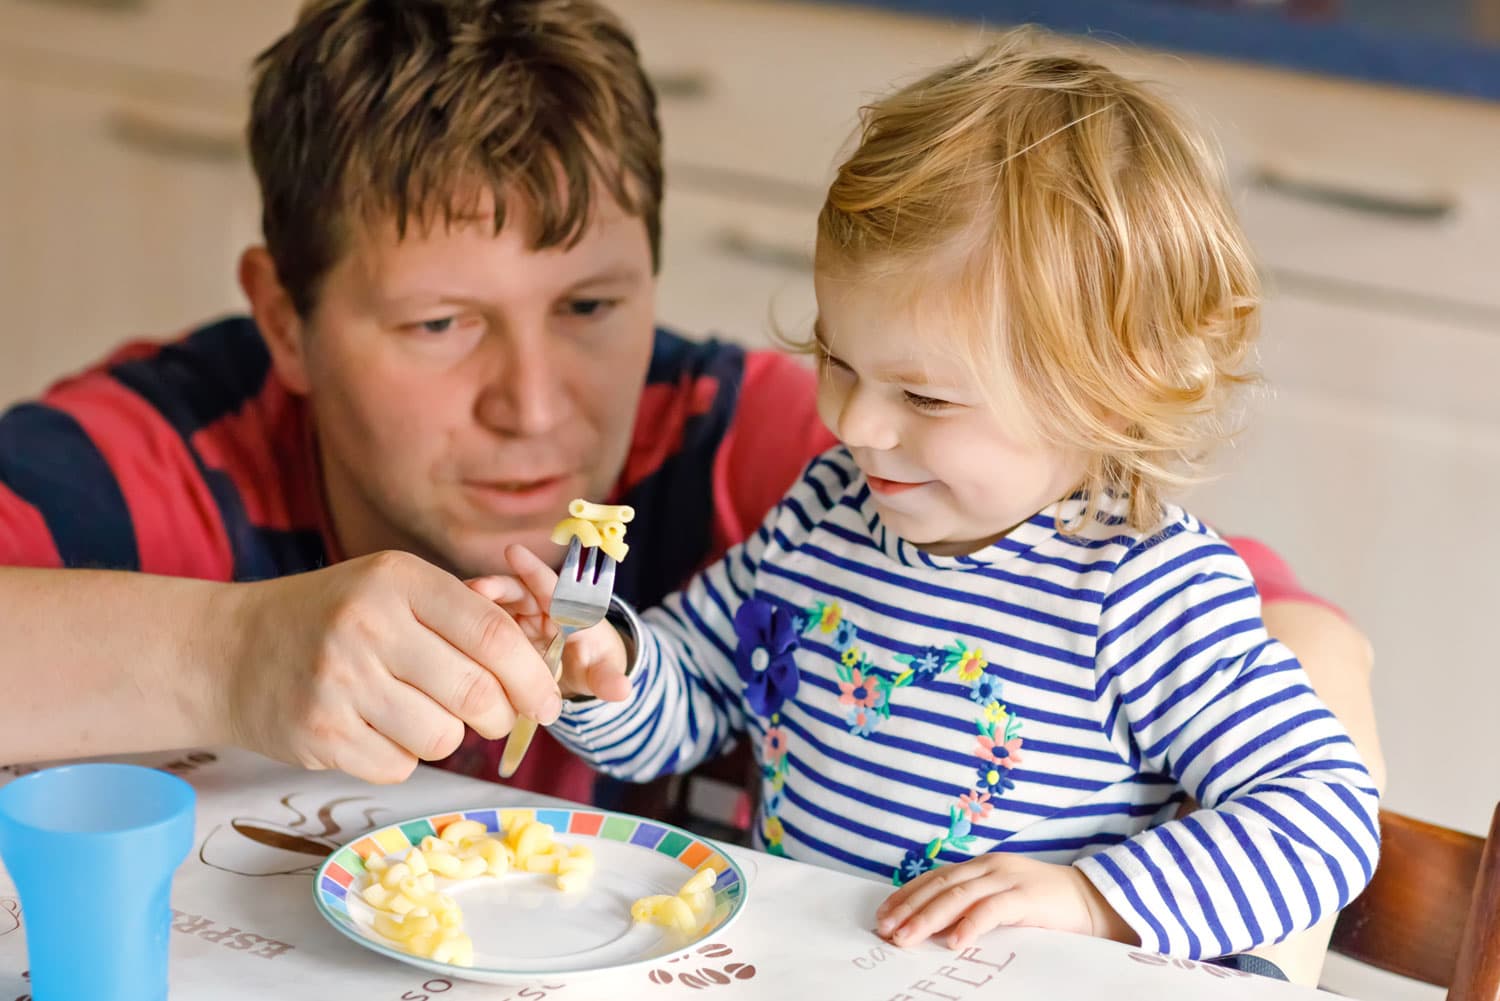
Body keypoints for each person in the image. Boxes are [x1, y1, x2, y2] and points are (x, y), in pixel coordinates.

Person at [0, 0, 1379, 975]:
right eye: (440, 324)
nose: (534, 404)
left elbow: (1316, 676)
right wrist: (232, 651)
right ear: (285, 321)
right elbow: (687, 682)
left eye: (594, 302)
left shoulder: (789, 447)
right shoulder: (158, 457)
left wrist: (1118, 911)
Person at [486, 31, 1382, 975]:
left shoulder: (1141, 589)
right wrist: (603, 662)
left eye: (924, 396)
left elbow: (1322, 813)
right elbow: (694, 697)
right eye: (837, 359)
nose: (856, 423)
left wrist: (1090, 896)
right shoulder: (824, 517)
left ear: (1105, 396)